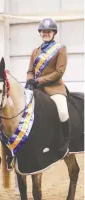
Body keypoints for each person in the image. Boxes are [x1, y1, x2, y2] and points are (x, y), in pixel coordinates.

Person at [26, 18, 70, 147]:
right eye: (43, 31)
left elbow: (59, 72)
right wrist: (29, 79)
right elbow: (30, 70)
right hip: (36, 88)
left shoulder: (61, 49)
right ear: (40, 33)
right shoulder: (35, 51)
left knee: (62, 112)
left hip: (54, 88)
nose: (46, 33)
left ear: (54, 33)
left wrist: (38, 80)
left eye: (48, 31)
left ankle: (65, 142)